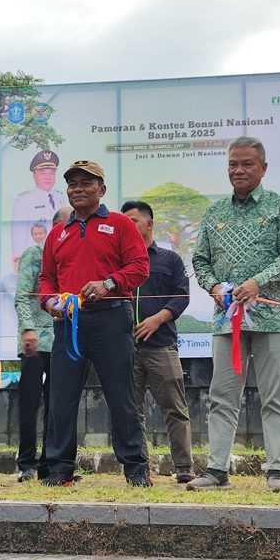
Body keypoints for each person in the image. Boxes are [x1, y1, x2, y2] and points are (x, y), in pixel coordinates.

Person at [189, 138, 280, 492]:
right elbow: (200, 260)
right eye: (233, 164)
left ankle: (275, 470)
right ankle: (217, 469)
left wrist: (258, 282)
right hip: (227, 319)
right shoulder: (214, 212)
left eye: (247, 164)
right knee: (222, 395)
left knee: (274, 395)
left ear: (263, 168)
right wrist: (214, 287)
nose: (238, 170)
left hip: (273, 317)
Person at [37, 159, 150, 487]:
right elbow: (46, 278)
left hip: (111, 318)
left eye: (87, 183)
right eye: (72, 183)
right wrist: (49, 302)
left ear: (101, 189)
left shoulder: (120, 225)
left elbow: (140, 267)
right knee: (61, 396)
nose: (78, 189)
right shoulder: (58, 232)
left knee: (121, 395)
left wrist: (109, 284)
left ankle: (135, 468)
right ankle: (60, 469)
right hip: (69, 323)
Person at [121, 200, 194, 483]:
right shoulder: (119, 261)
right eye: (124, 221)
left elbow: (182, 295)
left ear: (149, 223)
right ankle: (139, 470)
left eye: (134, 221)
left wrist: (158, 319)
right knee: (131, 411)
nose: (128, 226)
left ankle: (184, 468)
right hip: (126, 348)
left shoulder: (169, 259)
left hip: (161, 345)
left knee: (175, 408)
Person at [14, 207, 70, 481]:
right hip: (35, 340)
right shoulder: (35, 254)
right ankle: (26, 462)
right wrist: (28, 329)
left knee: (58, 402)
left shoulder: (78, 256)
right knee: (30, 401)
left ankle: (51, 463)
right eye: (64, 225)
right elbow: (23, 295)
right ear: (54, 227)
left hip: (64, 338)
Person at [11, 150, 68, 263]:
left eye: (51, 173)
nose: (48, 177)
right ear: (34, 176)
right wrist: (18, 260)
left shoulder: (61, 197)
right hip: (36, 260)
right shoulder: (24, 200)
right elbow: (18, 235)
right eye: (43, 173)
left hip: (60, 258)